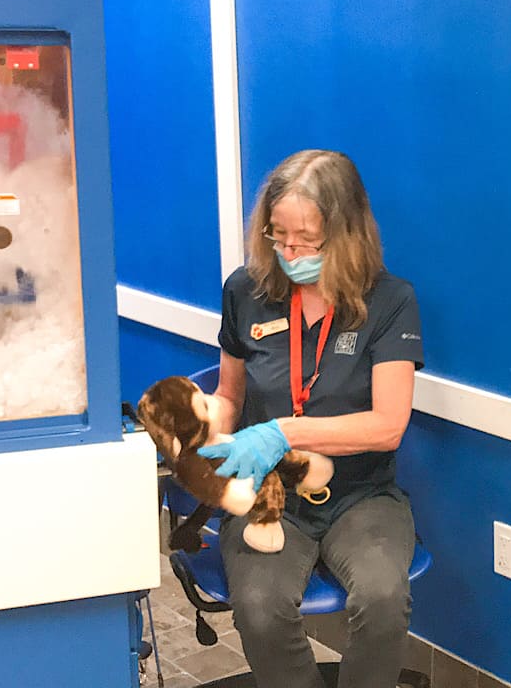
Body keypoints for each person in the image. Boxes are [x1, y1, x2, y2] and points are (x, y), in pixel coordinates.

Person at [198, 149, 424, 688]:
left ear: (346, 234)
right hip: (270, 499)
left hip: (362, 494)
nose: (289, 250)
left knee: (384, 599)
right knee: (258, 608)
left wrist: (282, 433)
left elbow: (388, 425)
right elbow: (229, 395)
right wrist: (208, 427)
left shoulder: (391, 301)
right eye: (278, 235)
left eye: (306, 239)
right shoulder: (245, 291)